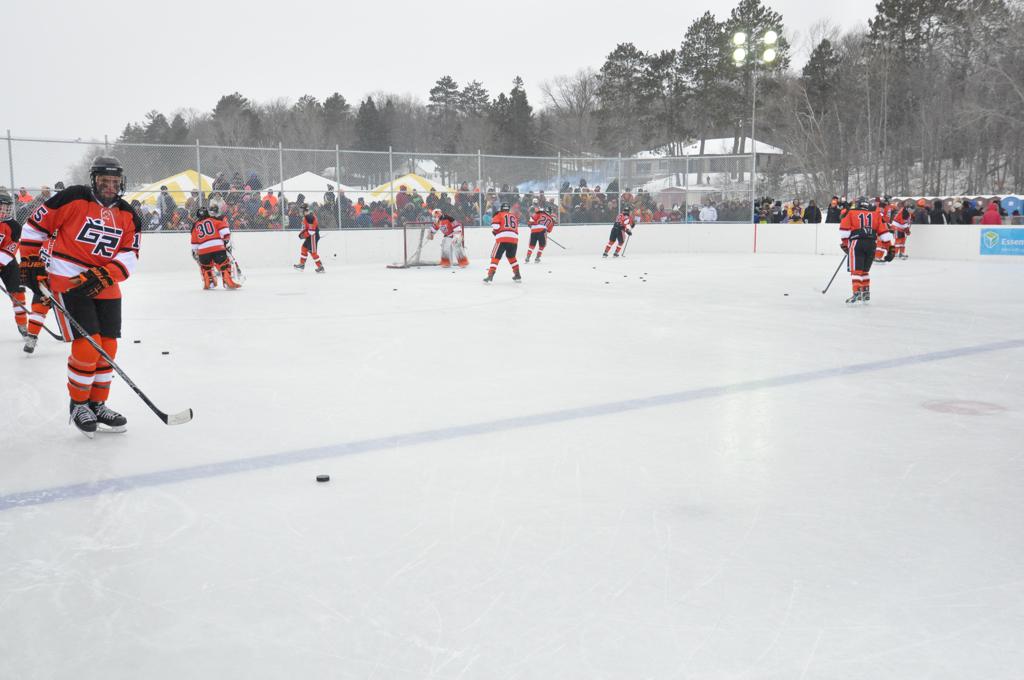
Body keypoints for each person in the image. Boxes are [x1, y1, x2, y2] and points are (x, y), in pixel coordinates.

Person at [19, 156, 141, 436]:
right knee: (88, 345)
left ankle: (98, 404)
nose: (110, 187)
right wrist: (31, 260)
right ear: (93, 180)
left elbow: (130, 254)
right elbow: (35, 227)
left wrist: (106, 273)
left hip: (104, 283)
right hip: (69, 280)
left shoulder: (128, 214)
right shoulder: (74, 197)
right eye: (104, 181)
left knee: (108, 347)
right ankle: (79, 405)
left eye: (115, 182)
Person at [839, 196, 893, 304]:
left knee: (856, 270)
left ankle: (857, 292)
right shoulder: (876, 214)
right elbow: (884, 233)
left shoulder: (851, 213)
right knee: (864, 271)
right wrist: (891, 249)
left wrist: (845, 245)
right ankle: (865, 292)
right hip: (871, 244)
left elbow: (844, 231)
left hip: (857, 243)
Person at [191, 205, 240, 290]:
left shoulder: (195, 226)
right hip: (217, 248)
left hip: (203, 250)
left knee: (206, 267)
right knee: (224, 264)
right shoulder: (214, 220)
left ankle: (209, 282)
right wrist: (225, 241)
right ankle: (227, 282)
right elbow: (225, 232)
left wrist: (196, 252)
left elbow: (194, 244)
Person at [0, 193, 28, 337]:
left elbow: (11, 247)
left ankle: (22, 323)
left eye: (7, 208)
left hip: (7, 263)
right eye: (2, 207)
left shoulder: (14, 226)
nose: (5, 211)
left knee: (18, 292)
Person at [484, 202, 521, 283]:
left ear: (501, 208)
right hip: (514, 239)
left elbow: (496, 226)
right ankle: (517, 274)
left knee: (495, 257)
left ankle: (490, 276)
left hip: (502, 238)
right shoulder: (513, 216)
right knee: (511, 257)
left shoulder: (499, 214)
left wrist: (495, 231)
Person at [293, 204, 324, 272]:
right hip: (310, 236)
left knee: (313, 252)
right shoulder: (306, 217)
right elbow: (307, 229)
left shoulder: (309, 217)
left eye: (301, 210)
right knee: (304, 248)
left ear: (305, 210)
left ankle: (320, 267)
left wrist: (303, 235)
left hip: (313, 236)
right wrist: (302, 234)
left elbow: (311, 231)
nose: (300, 211)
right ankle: (302, 265)